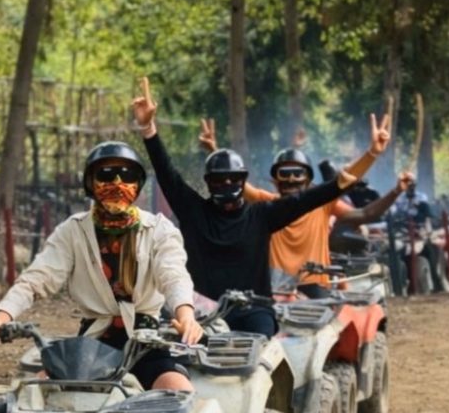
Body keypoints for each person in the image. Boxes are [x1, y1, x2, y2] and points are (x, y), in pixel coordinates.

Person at [131, 78, 391, 335]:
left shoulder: (263, 213)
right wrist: (148, 130)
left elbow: (321, 194)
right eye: (219, 180)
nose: (228, 184)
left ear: (244, 181)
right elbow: (168, 174)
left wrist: (367, 158)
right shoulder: (195, 211)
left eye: (234, 179)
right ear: (208, 183)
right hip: (203, 312)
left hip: (256, 310)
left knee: (276, 347)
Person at [0, 141, 202, 392]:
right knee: (36, 394)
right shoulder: (73, 230)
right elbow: (37, 278)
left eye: (127, 175)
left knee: (180, 393)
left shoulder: (160, 230)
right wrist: (1, 317)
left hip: (147, 341)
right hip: (93, 343)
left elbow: (173, 276)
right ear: (90, 183)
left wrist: (186, 316)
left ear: (138, 184)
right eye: (106, 175)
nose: (117, 184)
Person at [199, 121, 410, 296]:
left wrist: (376, 159)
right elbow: (235, 182)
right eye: (285, 173)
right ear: (274, 180)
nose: (291, 179)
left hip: (315, 289)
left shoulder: (323, 204)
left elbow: (365, 213)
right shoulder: (267, 205)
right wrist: (214, 151)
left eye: (297, 174)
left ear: (309, 181)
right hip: (273, 290)